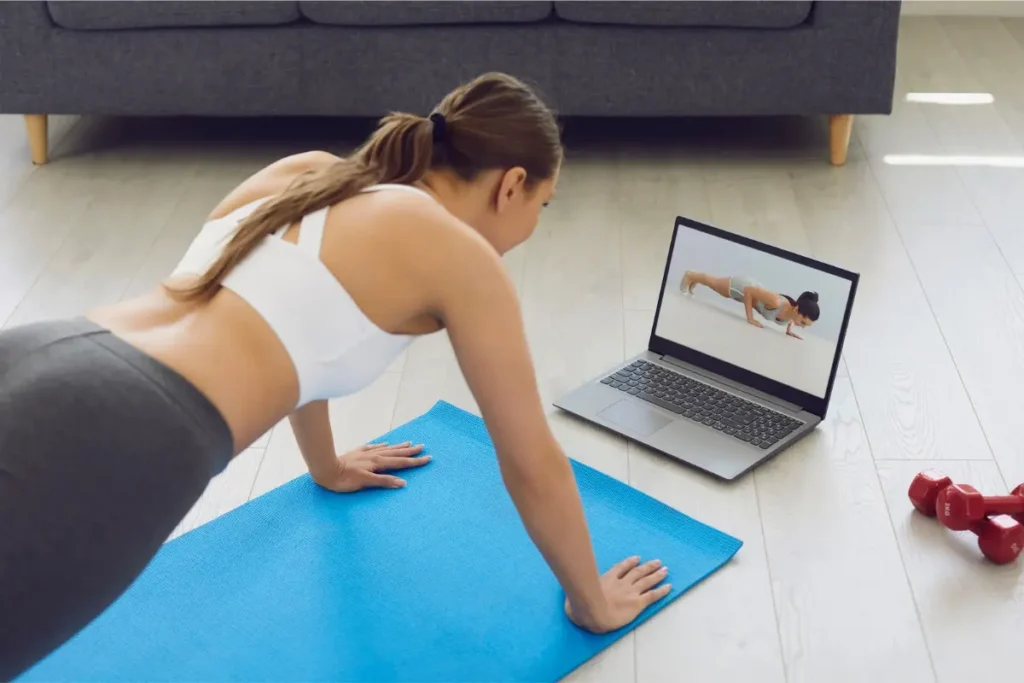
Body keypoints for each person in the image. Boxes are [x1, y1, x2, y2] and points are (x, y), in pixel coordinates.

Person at [0, 72, 673, 679]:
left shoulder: (312, 173)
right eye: (543, 205)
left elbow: (289, 325)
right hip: (124, 429)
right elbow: (531, 459)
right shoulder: (459, 255)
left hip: (53, 345)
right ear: (512, 184)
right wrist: (591, 600)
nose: (534, 224)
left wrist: (325, 465)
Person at [680, 270, 819, 339]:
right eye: (803, 322)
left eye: (806, 324)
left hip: (749, 292)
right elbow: (748, 291)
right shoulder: (777, 302)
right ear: (797, 309)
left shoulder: (792, 316)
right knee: (715, 284)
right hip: (742, 286)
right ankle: (690, 275)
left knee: (715, 286)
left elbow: (790, 319)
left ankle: (694, 281)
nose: (804, 327)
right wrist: (750, 318)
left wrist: (789, 331)